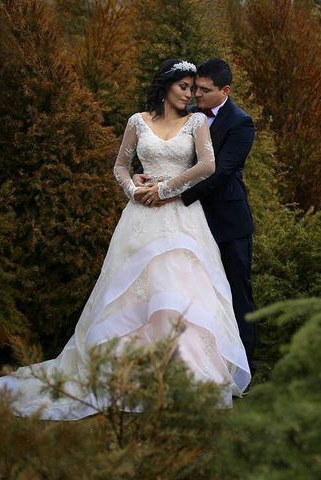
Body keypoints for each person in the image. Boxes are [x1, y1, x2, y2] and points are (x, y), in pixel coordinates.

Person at [0, 59, 251, 419]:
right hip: (141, 217)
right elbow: (120, 165)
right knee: (133, 292)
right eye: (184, 87)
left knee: (180, 292)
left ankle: (185, 371)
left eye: (195, 88)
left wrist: (166, 189)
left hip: (180, 217)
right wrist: (132, 188)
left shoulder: (197, 122)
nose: (190, 94)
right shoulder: (137, 121)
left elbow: (207, 166)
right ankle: (126, 368)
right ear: (167, 85)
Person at [134, 57, 257, 371]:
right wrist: (142, 175)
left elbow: (221, 172)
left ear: (224, 90)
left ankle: (242, 365)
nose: (196, 95)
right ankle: (197, 361)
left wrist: (170, 195)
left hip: (226, 221)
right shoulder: (188, 115)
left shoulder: (240, 122)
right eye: (194, 87)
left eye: (204, 90)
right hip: (187, 222)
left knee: (234, 290)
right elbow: (165, 151)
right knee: (193, 293)